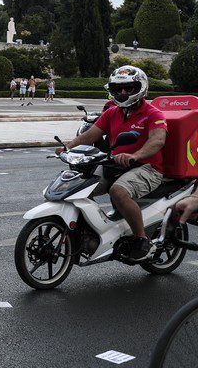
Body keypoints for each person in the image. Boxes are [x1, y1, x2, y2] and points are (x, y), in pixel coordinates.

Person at [56, 66, 168, 261]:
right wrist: (68, 147)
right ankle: (88, 233)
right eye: (118, 89)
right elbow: (90, 135)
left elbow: (157, 141)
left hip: (147, 167)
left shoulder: (153, 114)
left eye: (129, 88)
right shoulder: (112, 113)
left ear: (140, 88)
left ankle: (142, 240)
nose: (123, 93)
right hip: (114, 165)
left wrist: (135, 155)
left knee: (118, 192)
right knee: (78, 186)